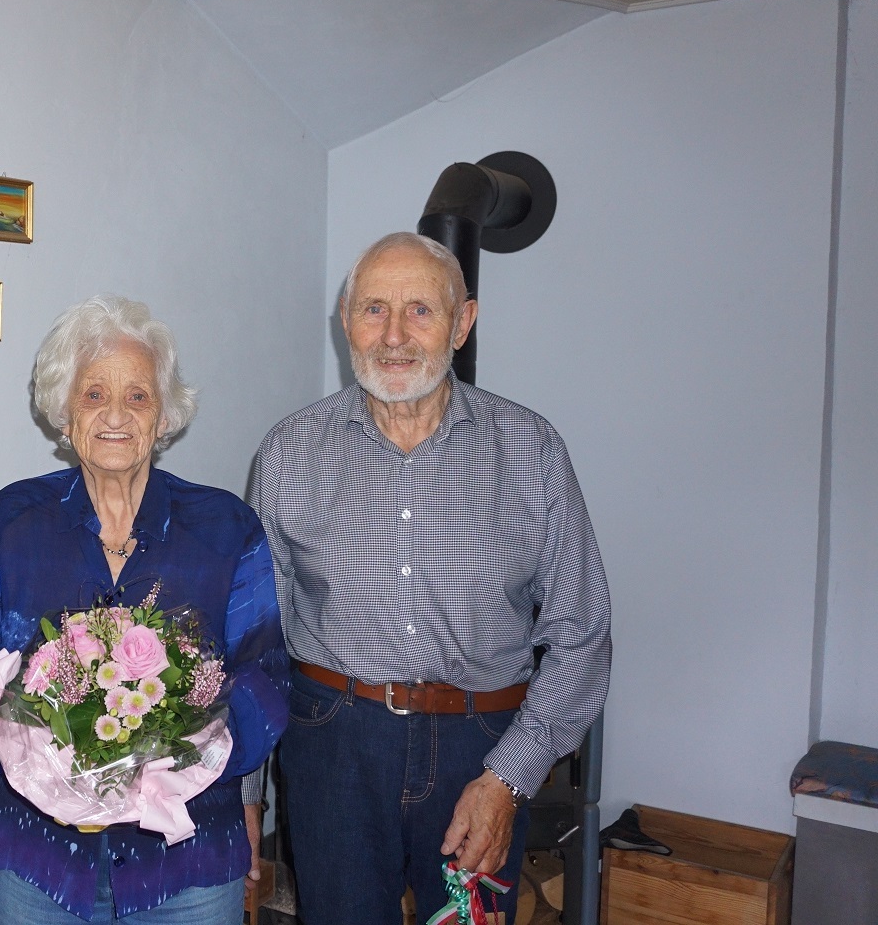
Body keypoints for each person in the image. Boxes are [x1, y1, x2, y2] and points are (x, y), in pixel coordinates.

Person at [251, 232, 611, 925]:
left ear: (462, 322)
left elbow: (582, 633)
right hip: (334, 744)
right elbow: (255, 642)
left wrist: (510, 776)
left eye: (419, 310)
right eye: (373, 309)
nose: (392, 336)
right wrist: (247, 798)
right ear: (344, 319)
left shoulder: (531, 449)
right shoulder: (289, 451)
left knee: (466, 922)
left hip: (480, 748)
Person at [0, 295, 289, 924]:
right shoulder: (8, 523)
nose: (115, 414)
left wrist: (179, 764)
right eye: (92, 394)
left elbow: (265, 678)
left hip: (186, 861)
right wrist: (51, 774)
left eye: (137, 396)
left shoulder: (226, 529)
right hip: (39, 859)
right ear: (62, 413)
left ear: (164, 416)